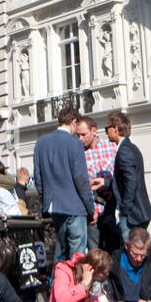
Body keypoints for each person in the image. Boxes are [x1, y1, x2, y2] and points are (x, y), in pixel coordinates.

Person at [33, 105, 95, 262]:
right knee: (77, 257)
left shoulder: (41, 143)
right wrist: (90, 207)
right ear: (74, 122)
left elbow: (38, 178)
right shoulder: (74, 144)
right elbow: (81, 179)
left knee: (61, 254)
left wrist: (45, 199)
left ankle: (60, 285)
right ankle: (74, 285)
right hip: (75, 207)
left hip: (54, 206)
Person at [106, 111, 151, 242]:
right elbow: (125, 179)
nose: (105, 132)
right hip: (136, 211)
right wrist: (105, 183)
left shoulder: (124, 150)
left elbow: (131, 181)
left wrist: (124, 210)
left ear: (115, 129)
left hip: (132, 215)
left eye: (106, 128)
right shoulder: (132, 148)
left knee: (131, 252)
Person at [75, 116, 117, 249]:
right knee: (95, 254)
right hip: (93, 213)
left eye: (83, 134)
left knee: (114, 250)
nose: (80, 138)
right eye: (78, 135)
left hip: (112, 210)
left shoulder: (111, 147)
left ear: (94, 130)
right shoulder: (78, 153)